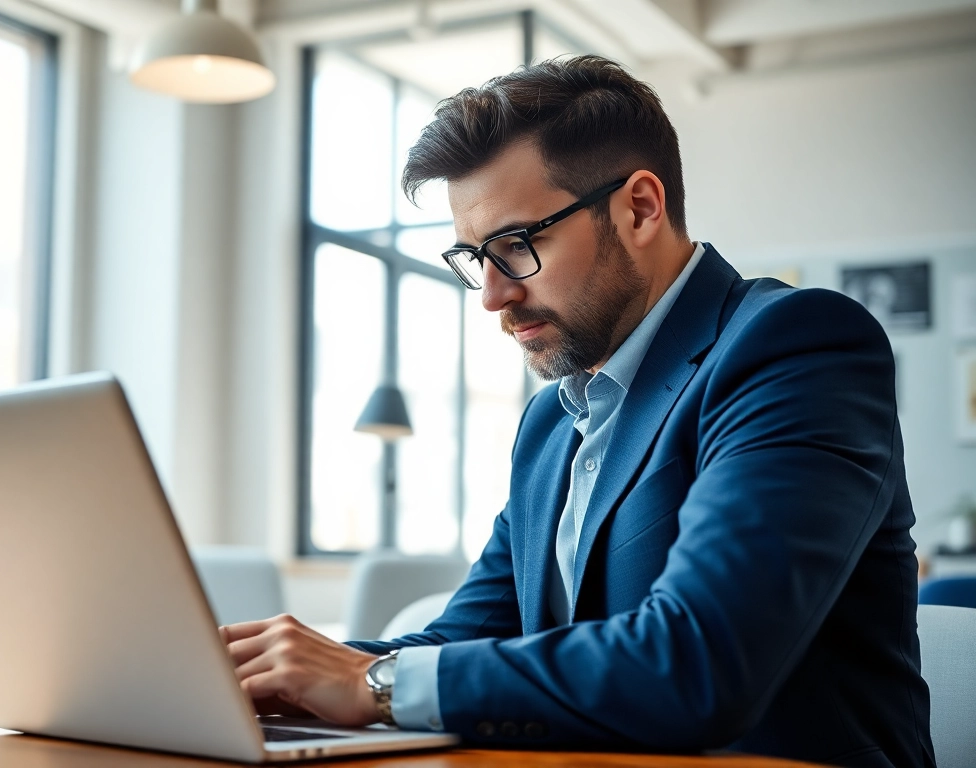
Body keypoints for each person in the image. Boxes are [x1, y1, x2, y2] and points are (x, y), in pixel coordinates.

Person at [220, 55, 934, 767]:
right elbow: (463, 643)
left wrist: (372, 684)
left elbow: (701, 661)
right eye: (474, 257)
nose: (493, 296)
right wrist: (262, 674)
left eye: (518, 245)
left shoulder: (794, 347)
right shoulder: (552, 422)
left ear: (639, 208)